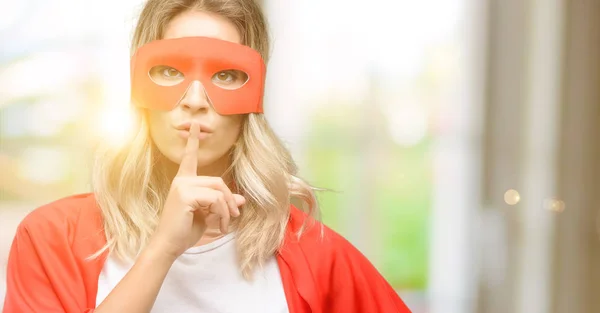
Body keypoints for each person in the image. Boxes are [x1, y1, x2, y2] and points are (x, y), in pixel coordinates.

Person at [2, 0, 412, 312]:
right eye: (169, 72)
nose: (195, 100)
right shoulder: (52, 238)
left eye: (226, 75)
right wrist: (161, 250)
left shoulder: (315, 254)